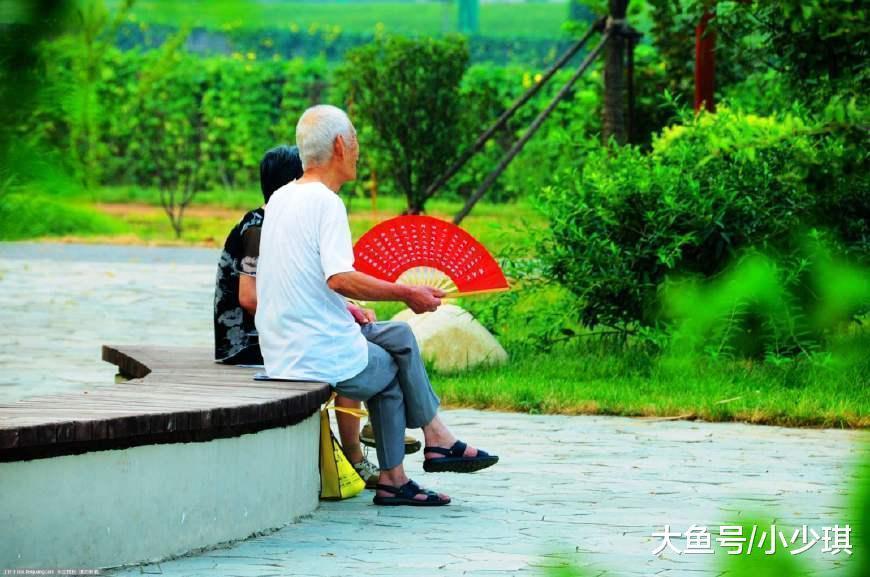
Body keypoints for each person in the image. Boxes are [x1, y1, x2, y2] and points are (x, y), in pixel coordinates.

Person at [256, 105, 498, 506]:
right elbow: (338, 277)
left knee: (400, 334)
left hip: (283, 342)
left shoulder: (282, 197)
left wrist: (349, 307)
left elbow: (302, 276)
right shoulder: (326, 203)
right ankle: (400, 474)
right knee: (390, 370)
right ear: (339, 145)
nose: (358, 150)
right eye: (354, 140)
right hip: (313, 351)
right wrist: (406, 292)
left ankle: (435, 441)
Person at [213, 144, 402, 488]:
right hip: (248, 341)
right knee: (347, 350)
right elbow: (249, 298)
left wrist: (344, 308)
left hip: (270, 334)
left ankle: (380, 427)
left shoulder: (274, 219)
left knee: (351, 341)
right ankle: (358, 454)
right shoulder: (259, 227)